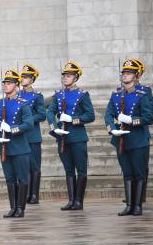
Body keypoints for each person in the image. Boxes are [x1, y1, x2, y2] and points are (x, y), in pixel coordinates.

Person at [104, 59, 153, 216]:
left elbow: (148, 117)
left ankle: (138, 206)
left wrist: (131, 120)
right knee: (127, 173)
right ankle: (129, 205)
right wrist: (112, 129)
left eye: (129, 73)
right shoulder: (116, 94)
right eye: (124, 73)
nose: (125, 75)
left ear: (136, 76)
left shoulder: (142, 94)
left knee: (139, 173)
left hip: (138, 139)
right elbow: (108, 114)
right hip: (121, 140)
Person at [47, 62, 95, 211]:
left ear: (75, 78)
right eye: (64, 76)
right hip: (62, 138)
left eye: (68, 76)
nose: (65, 78)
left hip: (78, 137)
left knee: (81, 170)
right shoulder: (58, 95)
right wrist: (54, 128)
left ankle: (79, 201)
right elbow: (50, 112)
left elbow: (90, 115)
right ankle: (71, 200)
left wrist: (73, 119)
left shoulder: (82, 95)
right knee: (68, 170)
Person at [0, 69, 33, 218]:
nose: (6, 86)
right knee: (9, 179)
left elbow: (28, 124)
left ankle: (20, 208)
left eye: (9, 83)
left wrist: (12, 128)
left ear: (16, 86)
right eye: (4, 83)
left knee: (22, 179)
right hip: (4, 146)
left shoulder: (23, 104)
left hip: (20, 147)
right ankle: (12, 207)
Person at [19, 64, 46, 204]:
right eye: (22, 76)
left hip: (33, 135)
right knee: (23, 166)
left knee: (34, 166)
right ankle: (26, 194)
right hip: (20, 136)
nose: (22, 79)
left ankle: (34, 195)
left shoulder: (37, 96)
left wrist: (28, 119)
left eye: (26, 77)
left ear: (32, 79)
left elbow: (42, 115)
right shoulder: (16, 95)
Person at [132, 59, 153, 203]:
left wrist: (134, 118)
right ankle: (132, 195)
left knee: (142, 166)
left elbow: (152, 110)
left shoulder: (145, 90)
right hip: (126, 134)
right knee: (130, 168)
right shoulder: (121, 92)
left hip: (141, 131)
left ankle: (141, 195)